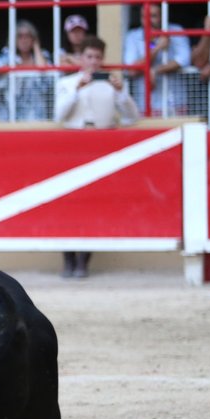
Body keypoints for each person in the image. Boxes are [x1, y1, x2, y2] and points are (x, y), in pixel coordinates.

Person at [54, 35, 140, 279]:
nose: (93, 61)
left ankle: (83, 262)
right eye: (89, 56)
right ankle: (68, 260)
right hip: (72, 147)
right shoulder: (68, 82)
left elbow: (132, 118)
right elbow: (58, 116)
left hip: (100, 147)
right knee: (68, 206)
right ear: (81, 58)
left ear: (102, 59)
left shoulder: (112, 85)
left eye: (97, 57)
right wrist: (76, 89)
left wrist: (122, 93)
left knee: (92, 204)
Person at [122, 4, 191, 116]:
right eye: (144, 17)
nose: (148, 21)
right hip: (146, 104)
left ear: (163, 16)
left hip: (175, 102)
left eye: (153, 16)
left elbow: (183, 59)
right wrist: (156, 47)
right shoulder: (133, 36)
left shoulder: (176, 30)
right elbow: (132, 70)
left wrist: (155, 70)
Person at [0, 19, 53, 121]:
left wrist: (36, 47)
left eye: (28, 36)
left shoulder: (42, 55)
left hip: (37, 116)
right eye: (20, 36)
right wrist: (16, 66)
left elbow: (44, 72)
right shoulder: (6, 56)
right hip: (10, 116)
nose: (24, 40)